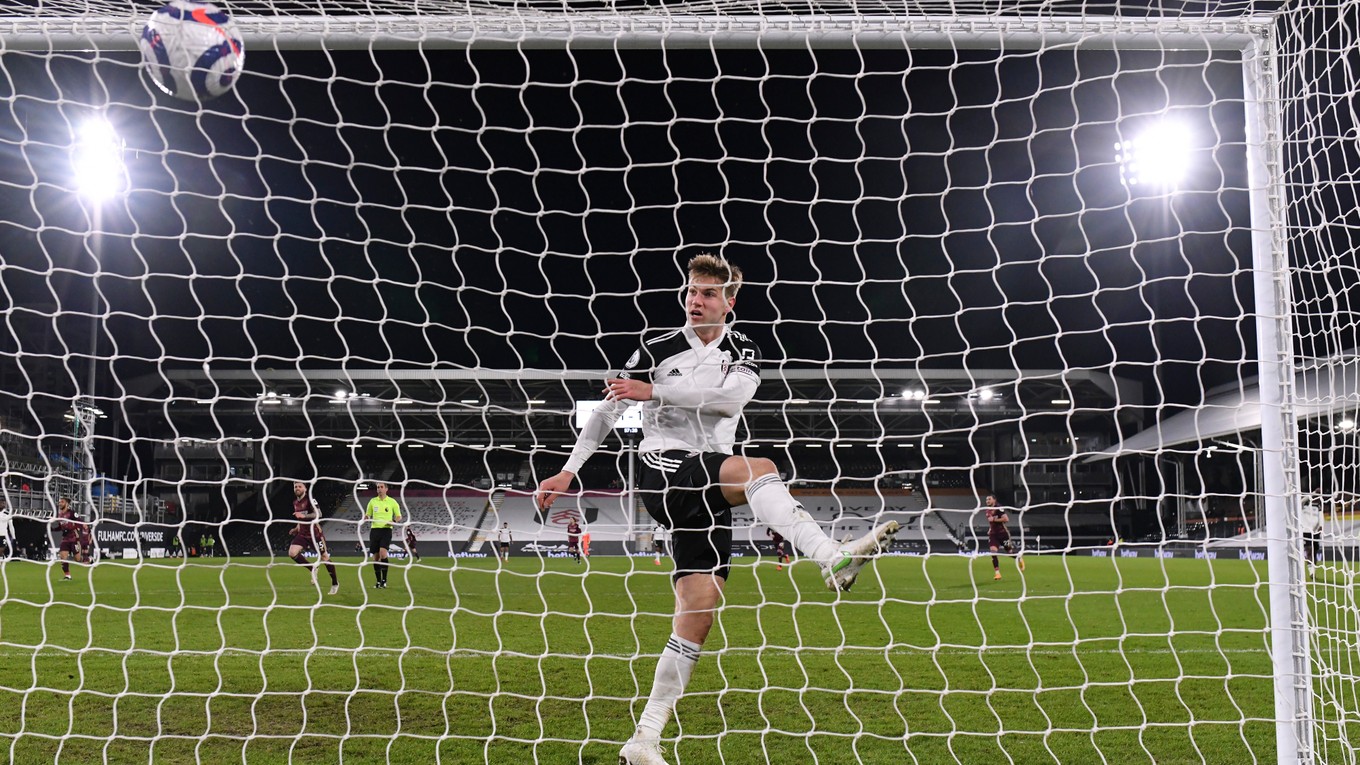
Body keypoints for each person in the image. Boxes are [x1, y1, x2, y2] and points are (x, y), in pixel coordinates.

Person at [536, 253, 899, 765]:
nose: (695, 300)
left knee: (698, 615)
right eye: (691, 291)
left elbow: (729, 402)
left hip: (708, 489)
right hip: (666, 470)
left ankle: (643, 740)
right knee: (758, 468)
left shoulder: (744, 349)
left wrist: (655, 391)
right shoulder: (655, 347)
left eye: (708, 293)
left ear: (730, 301)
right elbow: (606, 411)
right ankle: (830, 556)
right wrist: (568, 470)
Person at [289, 482, 339, 595]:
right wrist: (296, 529)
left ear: (305, 489)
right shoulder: (295, 502)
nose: (297, 488)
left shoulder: (310, 499)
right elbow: (300, 519)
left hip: (314, 534)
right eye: (295, 487)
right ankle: (312, 568)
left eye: (300, 486)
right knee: (292, 553)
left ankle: (335, 583)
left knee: (324, 557)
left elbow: (319, 514)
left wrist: (304, 516)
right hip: (302, 534)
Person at [363, 481, 402, 589]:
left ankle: (384, 580)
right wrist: (365, 518)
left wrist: (393, 521)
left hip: (386, 530)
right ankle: (378, 581)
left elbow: (399, 516)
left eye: (381, 487)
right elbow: (368, 514)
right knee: (375, 557)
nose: (379, 489)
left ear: (386, 489)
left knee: (383, 553)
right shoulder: (372, 501)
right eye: (377, 487)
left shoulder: (392, 502)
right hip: (374, 530)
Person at [984, 494, 1023, 581]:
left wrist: (994, 519)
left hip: (1003, 535)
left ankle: (1019, 558)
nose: (987, 501)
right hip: (993, 535)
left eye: (989, 499)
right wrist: (990, 529)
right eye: (986, 500)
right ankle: (997, 573)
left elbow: (1006, 519)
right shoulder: (987, 510)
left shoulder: (999, 508)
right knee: (993, 552)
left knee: (1009, 552)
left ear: (994, 500)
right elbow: (992, 523)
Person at [53, 497, 85, 581]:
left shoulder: (71, 513)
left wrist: (76, 528)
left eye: (62, 502)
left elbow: (80, 522)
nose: (60, 503)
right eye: (60, 502)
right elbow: (61, 527)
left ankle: (88, 559)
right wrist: (53, 529)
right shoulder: (59, 515)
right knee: (62, 556)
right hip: (65, 539)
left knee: (77, 559)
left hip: (74, 538)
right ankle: (67, 576)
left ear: (67, 504)